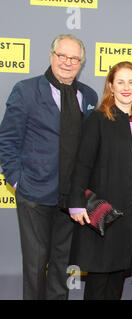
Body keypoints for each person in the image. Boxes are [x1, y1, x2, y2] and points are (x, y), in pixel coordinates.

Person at [0, 34, 98, 300]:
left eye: (74, 58)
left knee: (62, 265)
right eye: (62, 56)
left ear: (81, 62)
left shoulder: (88, 95)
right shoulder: (26, 90)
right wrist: (18, 181)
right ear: (52, 56)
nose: (67, 62)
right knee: (34, 266)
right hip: (34, 195)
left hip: (71, 199)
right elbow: (7, 139)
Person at [68, 61, 132, 300]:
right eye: (120, 82)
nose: (126, 87)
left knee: (117, 278)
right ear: (111, 86)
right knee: (100, 279)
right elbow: (82, 164)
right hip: (104, 213)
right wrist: (76, 203)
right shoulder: (98, 119)